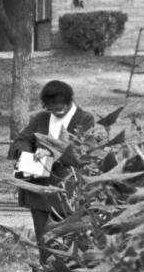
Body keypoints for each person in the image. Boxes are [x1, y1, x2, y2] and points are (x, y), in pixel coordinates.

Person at [8, 79, 95, 262]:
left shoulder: (84, 119)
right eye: (51, 107)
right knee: (45, 246)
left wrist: (50, 152)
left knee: (70, 247)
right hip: (39, 195)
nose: (56, 111)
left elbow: (82, 154)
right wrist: (30, 153)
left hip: (68, 194)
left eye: (60, 106)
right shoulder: (41, 118)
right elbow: (21, 140)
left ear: (70, 100)